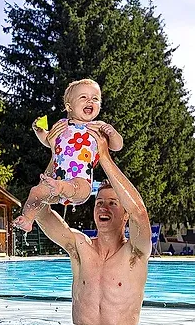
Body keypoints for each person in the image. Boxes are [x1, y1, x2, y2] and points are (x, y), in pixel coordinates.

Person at [4, 127, 153, 325]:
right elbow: (40, 211)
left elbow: (140, 211)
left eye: (112, 203)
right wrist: (56, 154)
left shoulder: (136, 253)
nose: (102, 208)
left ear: (124, 214)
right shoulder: (79, 247)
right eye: (98, 203)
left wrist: (105, 157)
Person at [12, 79, 124, 232]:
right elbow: (48, 141)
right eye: (83, 97)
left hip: (81, 182)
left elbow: (117, 146)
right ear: (68, 106)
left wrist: (113, 133)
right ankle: (27, 219)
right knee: (36, 192)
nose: (90, 101)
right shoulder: (62, 125)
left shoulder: (98, 127)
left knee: (75, 186)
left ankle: (60, 187)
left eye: (95, 98)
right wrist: (39, 131)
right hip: (57, 182)